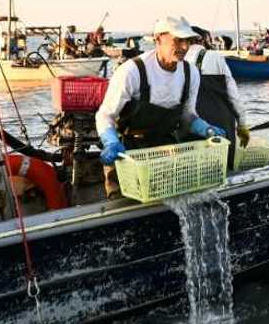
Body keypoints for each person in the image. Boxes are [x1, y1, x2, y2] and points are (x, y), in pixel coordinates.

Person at [96, 16, 226, 200]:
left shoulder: (191, 73)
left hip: (164, 150)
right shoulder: (132, 71)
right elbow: (105, 116)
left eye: (187, 41)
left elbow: (187, 115)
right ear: (158, 39)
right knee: (124, 206)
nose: (184, 47)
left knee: (173, 200)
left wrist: (206, 128)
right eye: (178, 40)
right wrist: (110, 142)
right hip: (127, 154)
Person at [186, 26, 250, 168]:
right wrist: (242, 124)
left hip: (190, 124)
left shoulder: (177, 61)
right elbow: (233, 95)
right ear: (203, 39)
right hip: (220, 121)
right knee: (224, 167)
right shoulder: (215, 57)